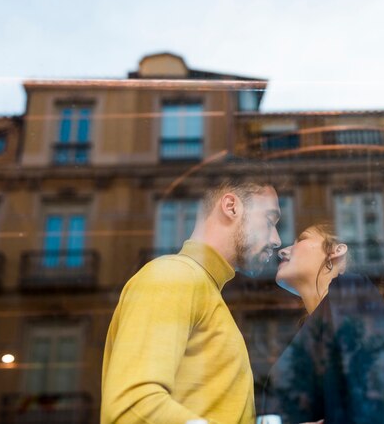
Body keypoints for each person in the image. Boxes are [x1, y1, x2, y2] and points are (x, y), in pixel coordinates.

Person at [101, 174, 282, 424]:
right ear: (231, 207)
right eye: (270, 221)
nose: (276, 240)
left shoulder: (199, 287)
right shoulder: (174, 277)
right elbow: (131, 408)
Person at [260, 223, 384, 424]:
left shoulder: (351, 292)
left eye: (301, 239)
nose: (283, 251)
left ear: (336, 251)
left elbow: (368, 396)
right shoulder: (312, 330)